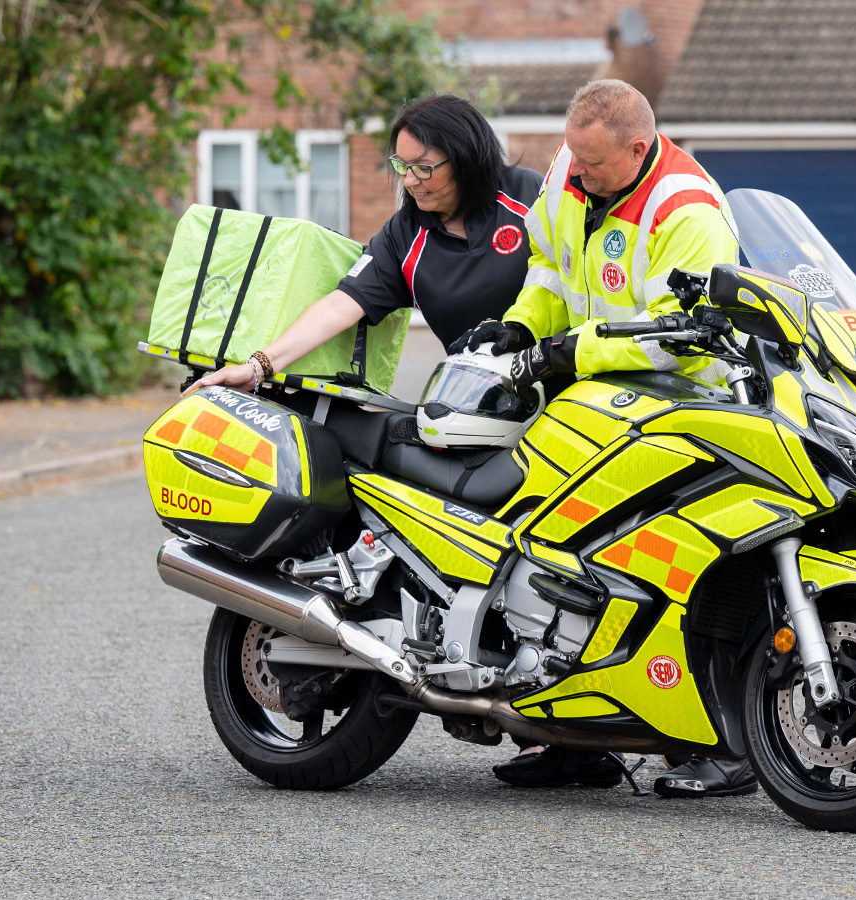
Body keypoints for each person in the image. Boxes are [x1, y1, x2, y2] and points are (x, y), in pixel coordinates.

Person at [451, 79, 756, 799]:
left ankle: (719, 743)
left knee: (672, 573)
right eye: (573, 159)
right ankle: (569, 738)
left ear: (639, 149)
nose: (576, 175)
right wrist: (525, 323)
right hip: (594, 400)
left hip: (681, 409)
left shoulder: (689, 214)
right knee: (559, 560)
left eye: (593, 166)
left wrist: (570, 351)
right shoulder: (570, 171)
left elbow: (675, 339)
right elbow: (551, 267)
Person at [190, 94, 542, 395]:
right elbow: (339, 307)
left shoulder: (527, 196)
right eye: (402, 166)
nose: (408, 180)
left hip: (567, 384)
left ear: (464, 159)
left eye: (423, 167)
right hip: (484, 400)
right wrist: (257, 366)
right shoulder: (404, 236)